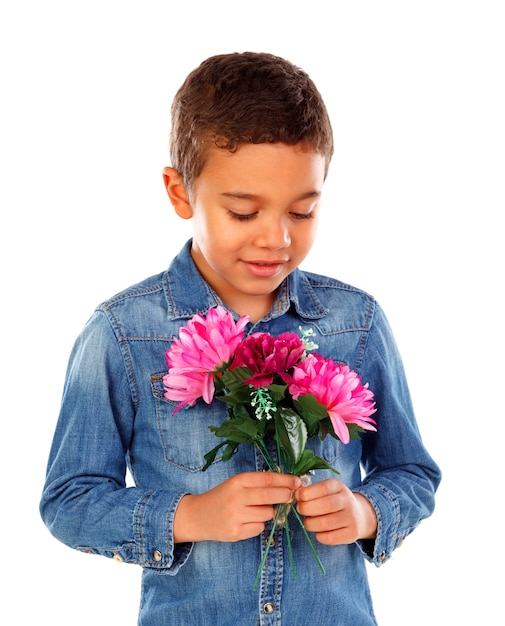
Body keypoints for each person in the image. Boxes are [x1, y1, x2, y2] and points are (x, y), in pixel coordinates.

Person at [40, 51, 441, 625]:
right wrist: (189, 516)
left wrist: (366, 511)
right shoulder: (123, 335)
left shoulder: (358, 322)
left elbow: (413, 472)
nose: (275, 238)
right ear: (180, 194)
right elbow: (69, 499)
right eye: (243, 211)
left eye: (302, 212)